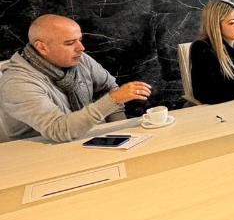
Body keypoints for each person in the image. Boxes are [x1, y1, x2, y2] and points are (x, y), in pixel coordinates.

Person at [0, 14, 151, 143]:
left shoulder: (80, 59)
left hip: (89, 139)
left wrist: (121, 133)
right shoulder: (16, 83)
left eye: (79, 39)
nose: (81, 48)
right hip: (40, 153)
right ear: (42, 47)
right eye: (70, 43)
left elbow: (108, 87)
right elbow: (58, 130)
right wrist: (113, 100)